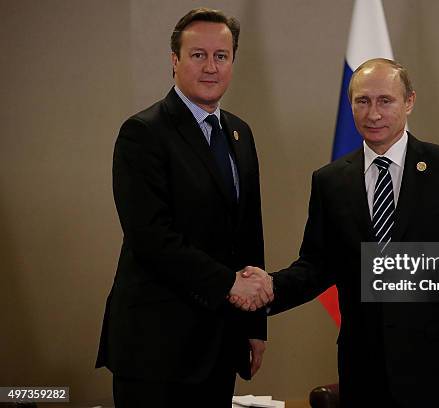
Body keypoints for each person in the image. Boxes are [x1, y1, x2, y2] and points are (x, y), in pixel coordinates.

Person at [233, 58, 439, 407]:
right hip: (363, 368)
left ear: (409, 102)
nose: (373, 113)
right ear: (351, 105)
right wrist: (268, 289)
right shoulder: (330, 181)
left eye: (385, 100)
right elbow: (316, 265)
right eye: (363, 101)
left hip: (436, 366)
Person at [95, 7, 273, 407]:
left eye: (221, 56)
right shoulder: (143, 133)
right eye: (198, 55)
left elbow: (248, 233)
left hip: (220, 344)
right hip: (156, 348)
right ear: (174, 60)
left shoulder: (240, 133)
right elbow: (152, 238)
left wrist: (254, 323)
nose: (211, 67)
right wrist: (230, 285)